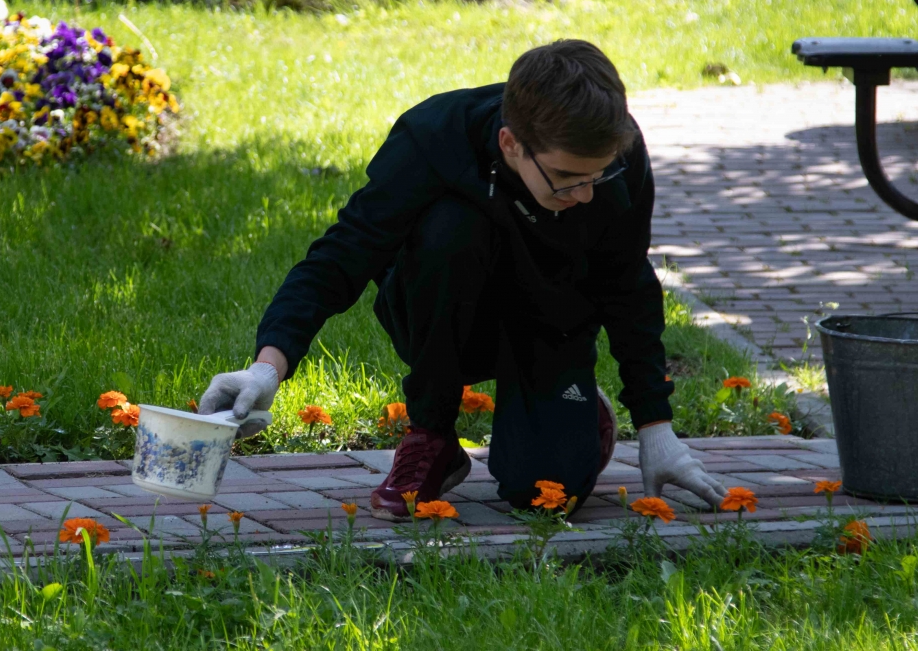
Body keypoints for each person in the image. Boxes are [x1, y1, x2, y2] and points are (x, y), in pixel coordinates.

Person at [197, 39, 725, 521]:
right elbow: (343, 255)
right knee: (451, 227)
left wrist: (657, 428)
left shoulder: (618, 154)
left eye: (597, 177)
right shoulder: (433, 137)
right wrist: (267, 370)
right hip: (444, 314)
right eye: (566, 179)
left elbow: (627, 284)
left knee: (543, 496)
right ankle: (432, 436)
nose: (586, 195)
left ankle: (576, 414)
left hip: (552, 322)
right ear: (511, 143)